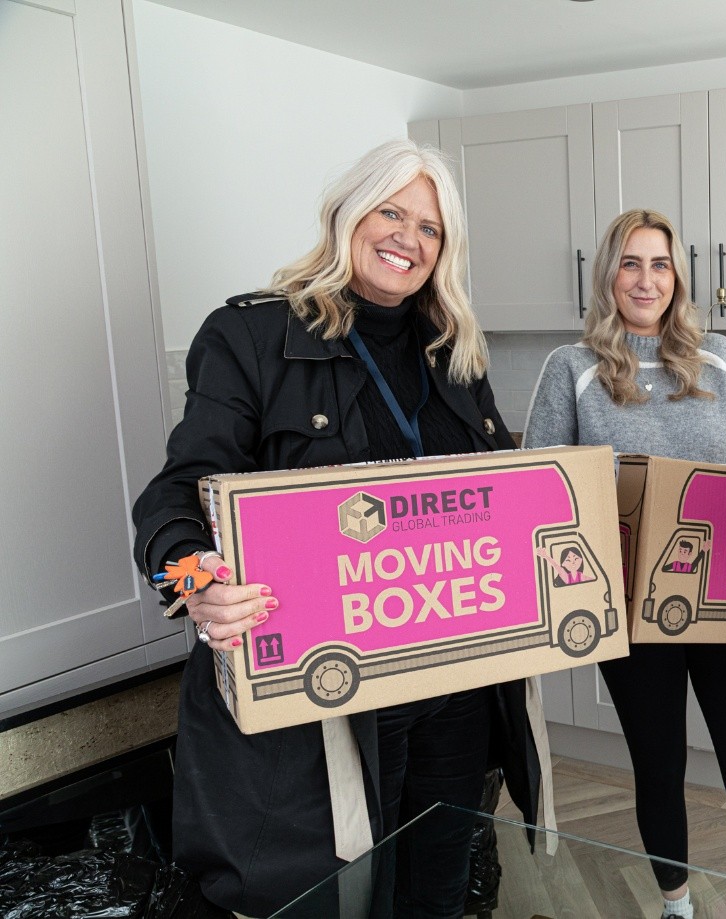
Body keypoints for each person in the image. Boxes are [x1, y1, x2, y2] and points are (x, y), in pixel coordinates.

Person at [131, 139, 543, 918]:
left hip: (453, 680)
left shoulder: (453, 349)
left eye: (430, 228)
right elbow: (178, 490)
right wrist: (193, 580)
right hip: (335, 696)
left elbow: (498, 495)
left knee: (440, 881)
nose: (407, 238)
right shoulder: (252, 336)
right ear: (347, 213)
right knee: (351, 895)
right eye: (391, 211)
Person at [523, 209, 726, 919]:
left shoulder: (717, 356)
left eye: (659, 263)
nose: (645, 279)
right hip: (629, 609)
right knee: (659, 769)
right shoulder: (572, 369)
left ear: (678, 274)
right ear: (605, 275)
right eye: (629, 263)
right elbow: (540, 484)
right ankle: (675, 906)